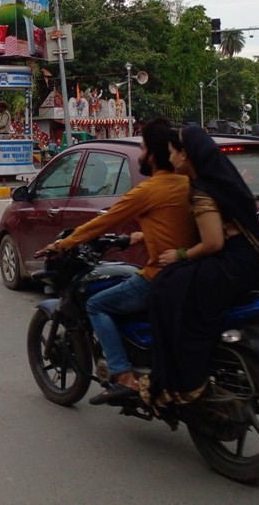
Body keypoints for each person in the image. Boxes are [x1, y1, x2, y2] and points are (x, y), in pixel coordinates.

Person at [35, 118, 197, 405]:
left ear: (155, 155)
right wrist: (142, 235)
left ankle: (123, 375)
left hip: (160, 276)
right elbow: (175, 225)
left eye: (144, 148)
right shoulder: (187, 184)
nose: (142, 154)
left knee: (97, 304)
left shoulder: (148, 190)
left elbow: (104, 221)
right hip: (190, 274)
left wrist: (62, 244)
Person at [143, 126, 259, 412]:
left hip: (231, 265)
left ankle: (181, 383)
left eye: (174, 151)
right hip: (252, 263)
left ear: (186, 154)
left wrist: (179, 254)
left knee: (164, 288)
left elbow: (213, 243)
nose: (171, 156)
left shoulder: (202, 190)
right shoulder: (225, 181)